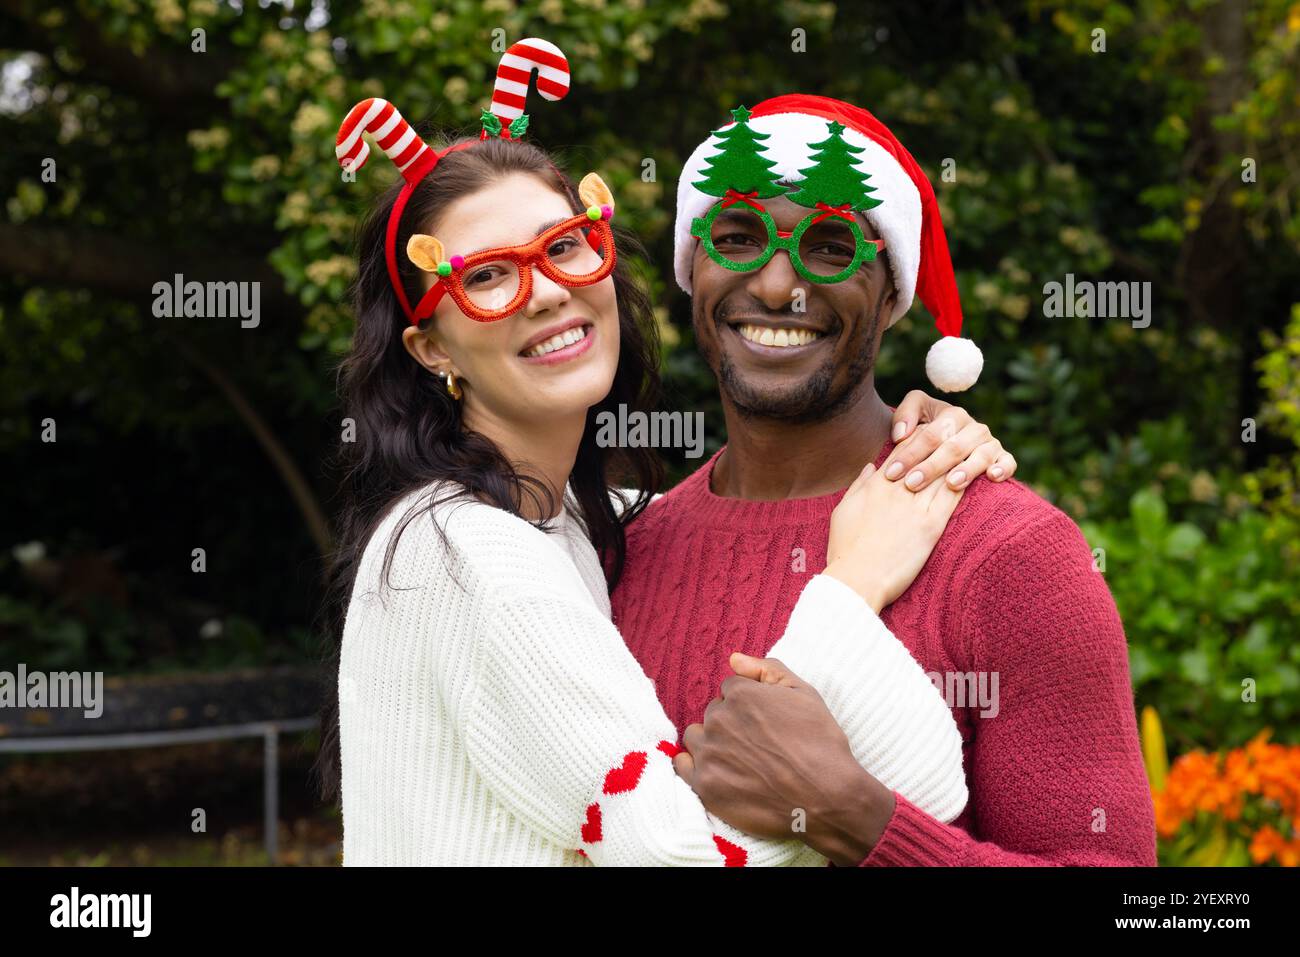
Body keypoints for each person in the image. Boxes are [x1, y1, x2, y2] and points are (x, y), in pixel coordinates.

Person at [316, 56, 1019, 865]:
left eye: (565, 248)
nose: (544, 291)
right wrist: (852, 588)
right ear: (432, 346)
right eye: (486, 277)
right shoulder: (469, 554)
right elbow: (689, 854)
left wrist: (928, 436)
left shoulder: (586, 528)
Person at [611, 94, 1158, 866]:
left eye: (831, 248)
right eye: (736, 238)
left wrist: (856, 819)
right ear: (690, 266)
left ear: (891, 292)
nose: (776, 286)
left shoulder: (1012, 555)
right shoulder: (620, 552)